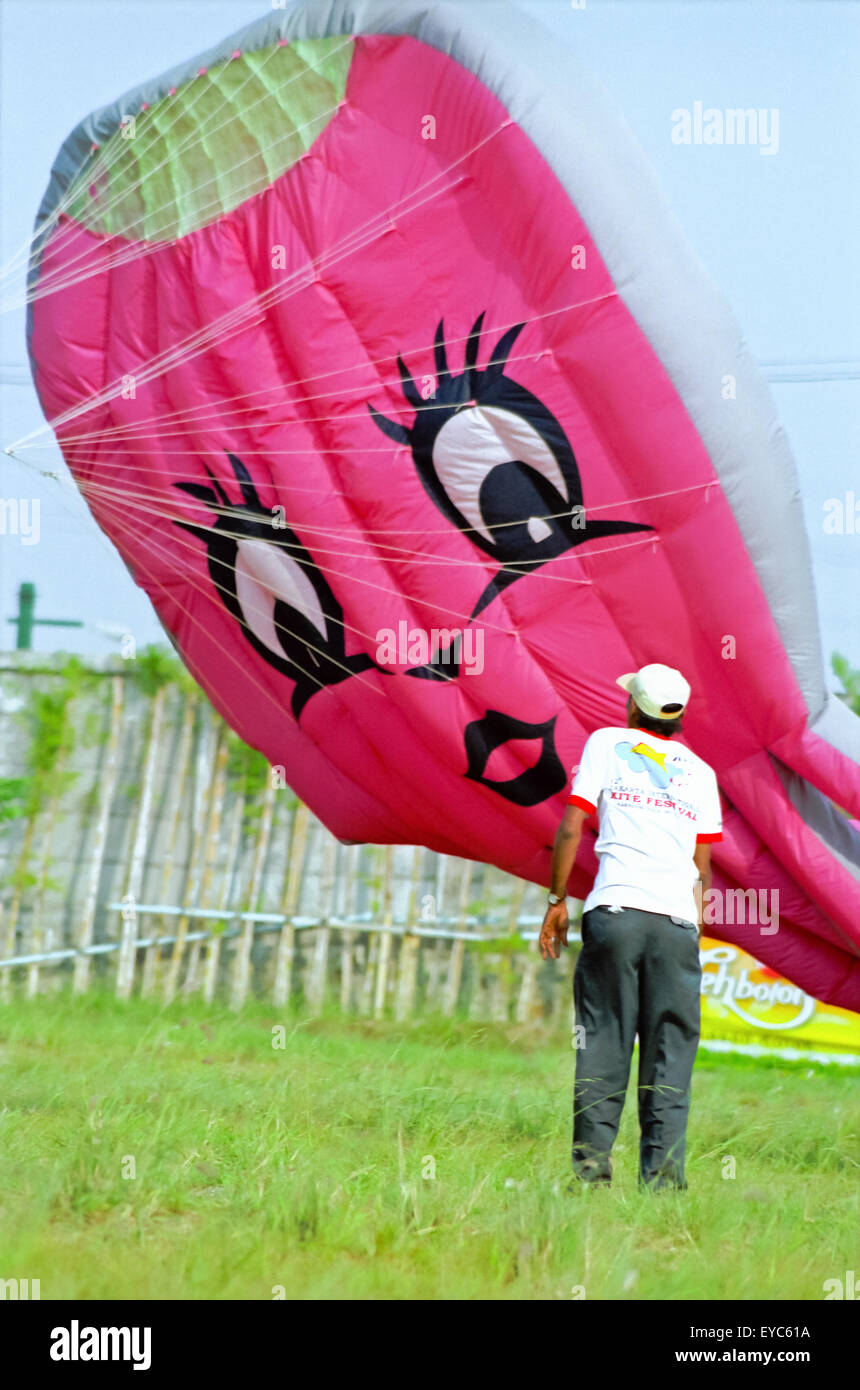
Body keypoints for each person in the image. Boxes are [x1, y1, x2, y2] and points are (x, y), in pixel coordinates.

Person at [539, 663, 722, 1190]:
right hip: (675, 922)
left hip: (616, 912)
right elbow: (702, 868)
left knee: (602, 1042)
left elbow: (573, 824)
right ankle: (662, 1188)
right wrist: (693, 931)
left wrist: (556, 900)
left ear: (632, 706)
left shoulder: (605, 743)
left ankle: (592, 1176)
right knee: (671, 1053)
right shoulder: (701, 773)